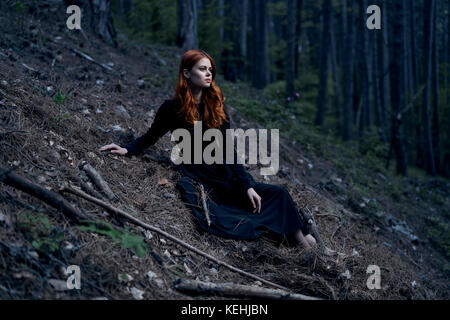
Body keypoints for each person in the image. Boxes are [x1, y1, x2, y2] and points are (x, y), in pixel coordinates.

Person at [99, 49, 317, 251]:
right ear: (186, 73)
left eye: (210, 69)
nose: (208, 73)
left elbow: (228, 151)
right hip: (198, 176)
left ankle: (306, 245)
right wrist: (127, 149)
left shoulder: (217, 106)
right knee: (237, 215)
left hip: (225, 174)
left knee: (277, 194)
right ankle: (306, 248)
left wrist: (248, 184)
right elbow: (150, 137)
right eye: (202, 69)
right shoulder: (171, 108)